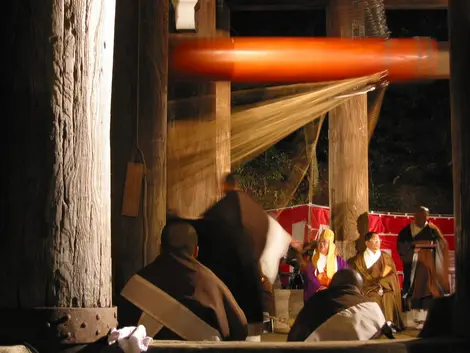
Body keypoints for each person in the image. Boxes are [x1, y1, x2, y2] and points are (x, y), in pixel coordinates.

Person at [118, 220, 248, 341]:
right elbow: (241, 329)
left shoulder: (136, 284)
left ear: (160, 248)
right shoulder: (214, 286)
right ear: (196, 251)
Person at [287, 269, 388, 342]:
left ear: (331, 286)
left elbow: (294, 340)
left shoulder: (317, 301)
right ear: (360, 291)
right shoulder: (373, 307)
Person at [397, 206, 450, 329]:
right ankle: (415, 319)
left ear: (428, 216)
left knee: (429, 290)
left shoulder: (432, 229)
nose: (422, 218)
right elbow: (401, 246)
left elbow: (443, 244)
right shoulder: (406, 231)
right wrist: (413, 249)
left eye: (425, 215)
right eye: (419, 215)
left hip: (430, 265)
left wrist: (434, 245)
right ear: (415, 215)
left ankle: (429, 319)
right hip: (414, 265)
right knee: (414, 289)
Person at [349, 232, 404, 331]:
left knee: (389, 296)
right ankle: (376, 326)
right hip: (368, 288)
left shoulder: (385, 256)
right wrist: (374, 286)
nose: (378, 242)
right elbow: (358, 277)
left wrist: (382, 284)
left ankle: (390, 323)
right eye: (374, 240)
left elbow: (392, 274)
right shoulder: (359, 259)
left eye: (379, 240)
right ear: (367, 243)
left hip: (385, 287)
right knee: (374, 298)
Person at [303, 229, 348, 302]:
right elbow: (309, 276)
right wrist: (319, 287)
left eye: (324, 242)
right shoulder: (312, 259)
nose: (321, 244)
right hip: (317, 295)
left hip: (333, 295)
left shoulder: (338, 261)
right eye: (320, 241)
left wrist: (333, 288)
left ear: (330, 245)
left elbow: (346, 274)